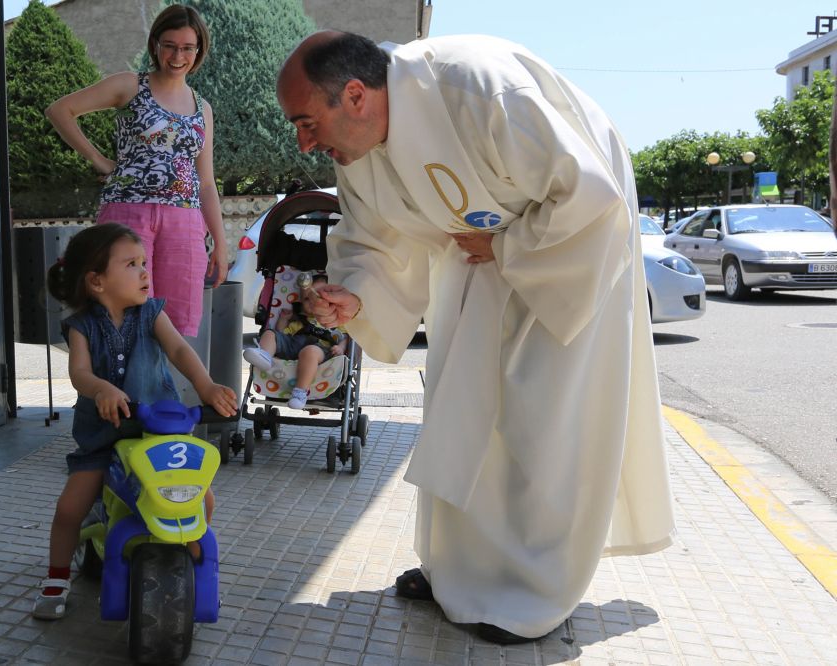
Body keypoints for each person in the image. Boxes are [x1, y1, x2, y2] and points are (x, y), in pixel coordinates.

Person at [276, 32, 675, 644]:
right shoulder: (356, 148)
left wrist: (510, 247)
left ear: (355, 95)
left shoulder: (480, 88)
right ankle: (454, 573)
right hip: (475, 256)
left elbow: (591, 197)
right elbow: (375, 238)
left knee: (540, 420)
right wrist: (356, 296)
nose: (304, 142)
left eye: (307, 122)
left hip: (566, 255)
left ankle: (532, 594)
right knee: (460, 408)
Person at [31, 224, 236, 620]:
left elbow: (178, 348)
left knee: (203, 497)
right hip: (105, 436)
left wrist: (206, 385)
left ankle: (192, 562)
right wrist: (101, 389)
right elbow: (79, 373)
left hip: (158, 434)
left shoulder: (151, 314)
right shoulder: (82, 326)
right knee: (70, 506)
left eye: (145, 263)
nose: (145, 272)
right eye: (131, 264)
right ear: (97, 281)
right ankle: (57, 576)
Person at [46, 4, 227, 338]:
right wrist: (101, 161)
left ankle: (161, 391)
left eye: (187, 47)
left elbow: (206, 182)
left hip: (185, 222)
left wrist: (221, 242)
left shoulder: (203, 108)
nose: (177, 56)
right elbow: (60, 110)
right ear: (155, 44)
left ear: (199, 50)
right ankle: (119, 391)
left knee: (177, 324)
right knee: (123, 314)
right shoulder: (130, 85)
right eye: (170, 45)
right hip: (129, 213)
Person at [242, 274, 347, 409]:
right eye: (307, 299)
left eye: (317, 298)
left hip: (320, 350)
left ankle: (300, 392)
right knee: (270, 333)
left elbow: (345, 337)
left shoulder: (335, 320)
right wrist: (283, 320)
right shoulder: (300, 321)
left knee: (309, 352)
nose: (312, 303)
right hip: (293, 345)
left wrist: (341, 347)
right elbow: (282, 335)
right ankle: (265, 356)